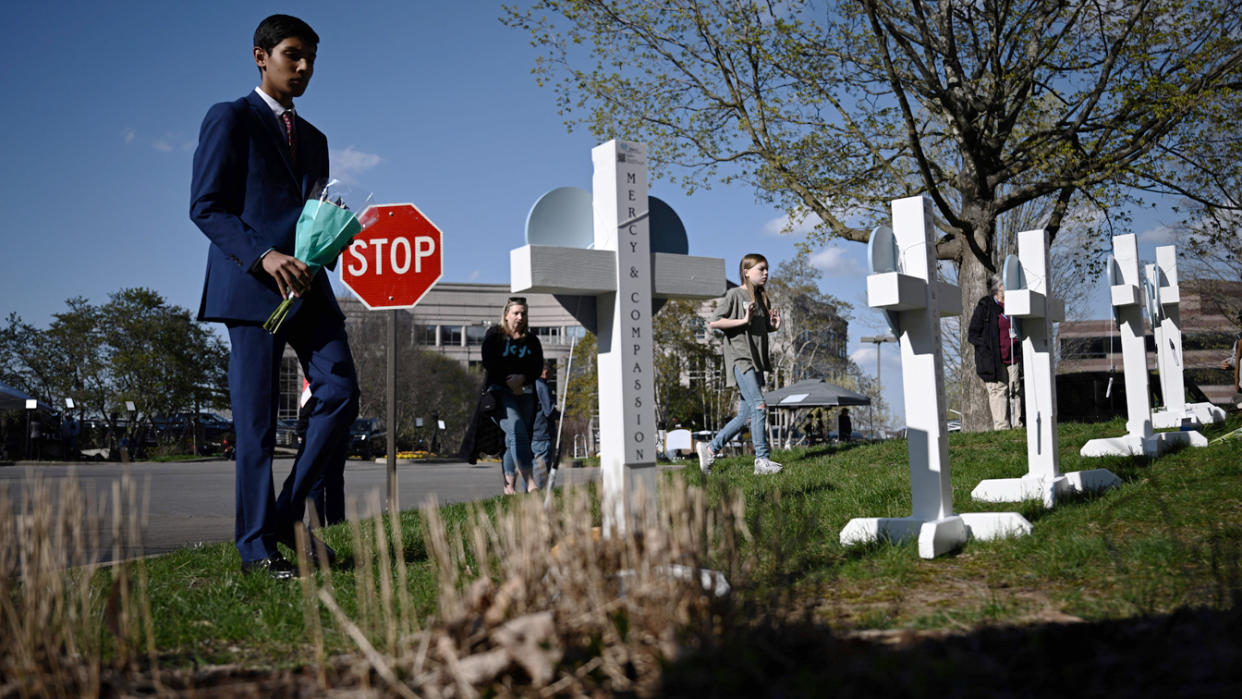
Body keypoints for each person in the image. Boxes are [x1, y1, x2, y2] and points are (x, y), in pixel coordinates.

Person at [190, 15, 359, 579]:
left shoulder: (316, 140)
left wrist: (331, 242)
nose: (304, 67)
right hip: (250, 289)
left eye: (311, 57)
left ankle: (286, 516)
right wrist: (263, 255)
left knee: (340, 391)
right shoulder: (230, 118)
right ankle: (255, 549)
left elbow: (316, 215)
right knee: (257, 426)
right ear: (261, 57)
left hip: (309, 290)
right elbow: (207, 206)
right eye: (293, 55)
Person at [696, 253, 783, 475]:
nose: (765, 273)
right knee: (760, 405)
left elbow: (757, 329)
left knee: (745, 414)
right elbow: (715, 321)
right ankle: (762, 460)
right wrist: (743, 319)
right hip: (740, 358)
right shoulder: (735, 294)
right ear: (746, 271)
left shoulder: (762, 298)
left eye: (766, 269)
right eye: (760, 269)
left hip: (756, 361)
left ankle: (710, 449)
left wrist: (773, 326)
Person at [479, 297, 544, 494]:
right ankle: (531, 483)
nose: (520, 317)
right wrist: (510, 381)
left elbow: (537, 366)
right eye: (516, 313)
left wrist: (522, 378)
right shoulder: (494, 335)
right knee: (517, 432)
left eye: (523, 313)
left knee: (512, 439)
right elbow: (489, 361)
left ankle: (509, 487)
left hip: (525, 394)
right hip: (500, 394)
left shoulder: (531, 340)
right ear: (506, 315)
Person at [968, 275, 1022, 430]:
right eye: (1007, 285)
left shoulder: (1014, 305)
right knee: (998, 391)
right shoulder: (985, 306)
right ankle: (1002, 427)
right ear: (999, 287)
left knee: (1015, 389)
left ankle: (1017, 424)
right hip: (992, 360)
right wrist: (986, 347)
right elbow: (972, 335)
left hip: (1012, 356)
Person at [531, 361, 561, 489]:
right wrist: (561, 415)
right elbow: (549, 411)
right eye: (551, 373)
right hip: (542, 432)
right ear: (546, 372)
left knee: (533, 466)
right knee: (541, 468)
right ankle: (539, 496)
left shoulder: (530, 384)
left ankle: (529, 496)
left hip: (532, 432)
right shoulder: (541, 386)